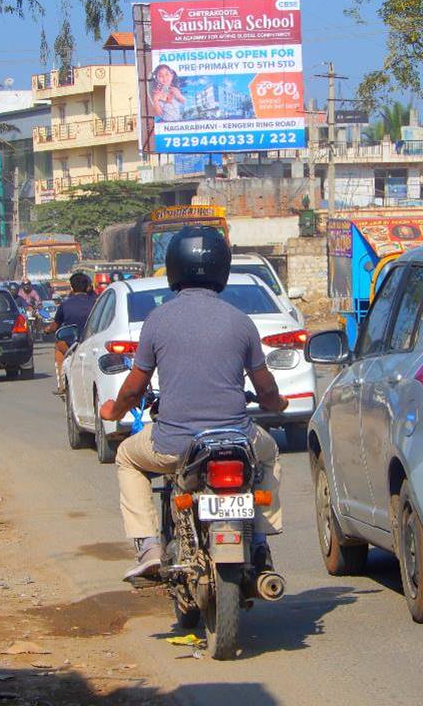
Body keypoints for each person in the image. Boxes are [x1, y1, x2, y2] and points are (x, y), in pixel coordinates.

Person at [99, 226, 288, 582]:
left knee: (126, 456)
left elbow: (132, 391)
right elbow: (265, 390)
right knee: (271, 454)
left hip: (175, 447)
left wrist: (112, 412)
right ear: (222, 268)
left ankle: (149, 546)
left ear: (173, 267)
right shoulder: (242, 322)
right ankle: (260, 540)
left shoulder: (158, 320)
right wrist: (277, 403)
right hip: (239, 441)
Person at [45, 271, 96, 395]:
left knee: (58, 345)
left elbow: (55, 325)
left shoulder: (65, 304)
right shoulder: (96, 302)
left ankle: (62, 385)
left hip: (72, 345)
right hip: (93, 342)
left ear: (72, 287)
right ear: (88, 286)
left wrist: (47, 330)